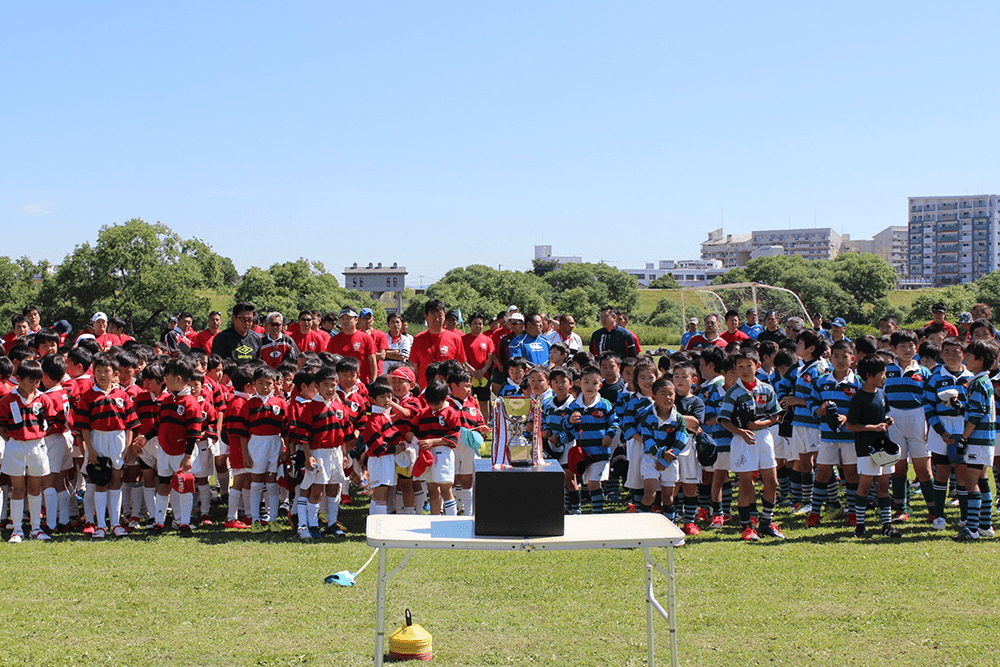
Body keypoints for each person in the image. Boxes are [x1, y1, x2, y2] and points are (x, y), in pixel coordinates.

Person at [719, 348, 784, 540]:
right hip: (742, 441)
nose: (745, 370)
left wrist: (760, 425)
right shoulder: (733, 392)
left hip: (763, 437)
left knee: (772, 482)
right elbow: (724, 420)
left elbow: (776, 415)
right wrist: (741, 432)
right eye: (740, 367)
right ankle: (747, 526)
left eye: (748, 365)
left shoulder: (767, 389)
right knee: (746, 484)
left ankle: (766, 522)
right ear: (735, 369)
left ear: (757, 366)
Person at [74, 353, 139, 538]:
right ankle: (101, 525)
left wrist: (128, 447)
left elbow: (130, 425)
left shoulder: (122, 395)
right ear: (93, 372)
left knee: (116, 481)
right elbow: (84, 427)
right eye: (98, 371)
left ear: (114, 374)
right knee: (100, 481)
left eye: (106, 371)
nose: (102, 375)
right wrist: (90, 449)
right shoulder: (88, 396)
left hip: (118, 440)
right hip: (97, 439)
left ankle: (115, 524)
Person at [0, 360, 58, 542]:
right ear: (18, 379)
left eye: (37, 382)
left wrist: (38, 435)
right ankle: (17, 529)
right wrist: (11, 439)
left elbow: (51, 421)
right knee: (18, 489)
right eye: (30, 381)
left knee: (35, 488)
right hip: (15, 445)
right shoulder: (7, 400)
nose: (34, 385)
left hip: (37, 446)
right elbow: (1, 425)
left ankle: (36, 528)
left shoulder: (43, 398)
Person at [806, 340, 860, 527]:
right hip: (828, 436)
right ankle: (815, 513)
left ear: (852, 359)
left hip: (850, 437)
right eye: (836, 356)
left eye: (844, 356)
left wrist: (848, 417)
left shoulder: (858, 382)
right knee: (822, 473)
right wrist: (819, 410)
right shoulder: (821, 381)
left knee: (851, 474)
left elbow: (864, 407)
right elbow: (811, 401)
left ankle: (853, 512)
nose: (840, 360)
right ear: (830, 359)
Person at [845, 354, 900, 539]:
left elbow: (883, 415)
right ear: (869, 375)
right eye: (882, 373)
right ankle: (860, 525)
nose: (885, 377)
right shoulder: (858, 398)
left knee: (884, 486)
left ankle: (887, 525)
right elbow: (851, 426)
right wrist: (873, 428)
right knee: (865, 486)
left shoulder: (882, 394)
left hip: (884, 447)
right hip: (866, 448)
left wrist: (887, 421)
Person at [924, 336, 973, 531]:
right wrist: (941, 432)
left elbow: (974, 408)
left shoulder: (971, 378)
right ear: (941, 354)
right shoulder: (935, 378)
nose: (951, 356)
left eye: (956, 352)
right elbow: (928, 407)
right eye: (947, 352)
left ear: (964, 354)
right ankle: (939, 516)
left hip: (964, 428)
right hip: (941, 428)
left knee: (962, 474)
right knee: (942, 473)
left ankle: (964, 517)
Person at [950, 339, 997, 541]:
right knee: (983, 481)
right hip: (986, 440)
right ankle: (985, 526)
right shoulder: (984, 381)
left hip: (977, 440)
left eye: (969, 356)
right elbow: (977, 411)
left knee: (971, 483)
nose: (965, 359)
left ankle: (971, 529)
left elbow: (976, 416)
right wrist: (962, 408)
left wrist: (963, 439)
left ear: (981, 360)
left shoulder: (978, 383)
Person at [884, 330, 933, 521]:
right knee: (899, 467)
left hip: (918, 418)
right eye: (902, 346)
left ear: (917, 347)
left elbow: (931, 400)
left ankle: (933, 510)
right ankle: (901, 509)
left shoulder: (924, 372)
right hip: (894, 419)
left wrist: (929, 424)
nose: (907, 350)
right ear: (893, 349)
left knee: (923, 469)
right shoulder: (887, 370)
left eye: (911, 345)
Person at [152, 357, 202, 536]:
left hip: (182, 453)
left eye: (167, 377)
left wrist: (188, 456)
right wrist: (145, 437)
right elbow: (158, 424)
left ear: (178, 379)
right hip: (165, 451)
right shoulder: (166, 400)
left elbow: (194, 432)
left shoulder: (191, 403)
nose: (165, 380)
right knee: (163, 485)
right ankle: (159, 522)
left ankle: (185, 523)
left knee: (184, 485)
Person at [235, 366, 288, 532]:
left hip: (274, 443)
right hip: (256, 444)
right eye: (260, 383)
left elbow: (286, 429)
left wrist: (285, 449)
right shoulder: (249, 404)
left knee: (272, 483)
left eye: (268, 383)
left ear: (275, 384)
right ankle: (255, 519)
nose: (265, 387)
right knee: (256, 482)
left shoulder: (281, 403)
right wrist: (245, 454)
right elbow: (242, 433)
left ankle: (273, 519)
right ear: (253, 384)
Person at [565, 365, 619, 514]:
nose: (590, 386)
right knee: (589, 485)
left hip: (600, 451)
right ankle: (593, 511)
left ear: (600, 386)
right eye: (586, 382)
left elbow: (614, 422)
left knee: (595, 483)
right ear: (579, 383)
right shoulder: (574, 406)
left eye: (594, 383)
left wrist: (609, 435)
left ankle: (598, 514)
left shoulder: (604, 404)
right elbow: (566, 426)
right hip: (583, 454)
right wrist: (570, 420)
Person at [411, 378, 461, 515]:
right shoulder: (423, 413)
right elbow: (414, 428)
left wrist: (433, 442)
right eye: (430, 403)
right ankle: (434, 519)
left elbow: (453, 438)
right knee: (432, 490)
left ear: (445, 398)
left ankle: (451, 520)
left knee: (446, 488)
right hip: (427, 454)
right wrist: (410, 434)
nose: (433, 407)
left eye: (437, 404)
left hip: (443, 453)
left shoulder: (450, 413)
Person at [409, 299, 468, 390]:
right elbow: (414, 368)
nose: (437, 319)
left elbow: (461, 366)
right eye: (433, 315)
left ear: (444, 317)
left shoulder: (455, 338)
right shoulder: (418, 339)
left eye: (440, 315)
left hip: (448, 391)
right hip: (424, 391)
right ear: (426, 317)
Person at [326, 307, 378, 385]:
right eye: (342, 319)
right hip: (340, 383)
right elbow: (328, 361)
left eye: (348, 318)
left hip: (361, 382)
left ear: (356, 320)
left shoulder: (366, 338)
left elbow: (372, 361)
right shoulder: (334, 339)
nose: (345, 321)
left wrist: (374, 380)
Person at [461, 313, 494, 417]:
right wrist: (472, 371)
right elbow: (462, 358)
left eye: (480, 323)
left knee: (483, 403)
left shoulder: (487, 339)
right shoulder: (463, 339)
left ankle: (485, 423)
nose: (478, 326)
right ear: (470, 325)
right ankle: (468, 421)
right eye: (475, 323)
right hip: (468, 377)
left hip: (484, 377)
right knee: (466, 401)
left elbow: (490, 358)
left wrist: (483, 370)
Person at [359, 308, 390, 375]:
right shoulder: (357, 335)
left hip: (376, 373)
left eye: (369, 318)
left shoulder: (381, 335)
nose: (367, 321)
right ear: (359, 320)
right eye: (364, 318)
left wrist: (362, 354)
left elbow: (382, 356)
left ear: (373, 319)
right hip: (360, 373)